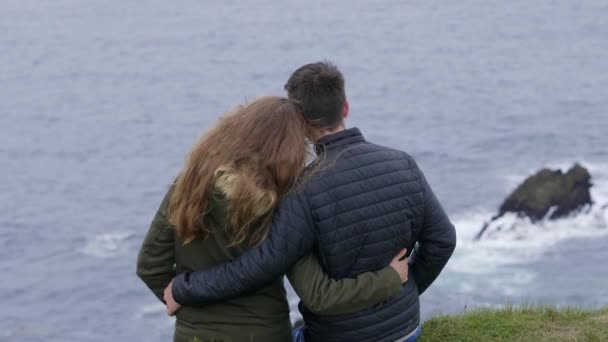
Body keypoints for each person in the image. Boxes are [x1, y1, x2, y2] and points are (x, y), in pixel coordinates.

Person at [165, 62, 457, 342]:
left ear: (299, 122)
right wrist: (403, 291)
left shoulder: (303, 189)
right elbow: (443, 240)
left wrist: (184, 288)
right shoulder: (402, 162)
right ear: (345, 107)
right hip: (406, 331)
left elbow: (260, 266)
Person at [136, 96, 409, 342]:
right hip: (264, 333)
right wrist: (389, 278)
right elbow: (320, 295)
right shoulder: (284, 203)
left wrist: (180, 300)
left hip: (194, 334)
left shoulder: (187, 186)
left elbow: (150, 265)